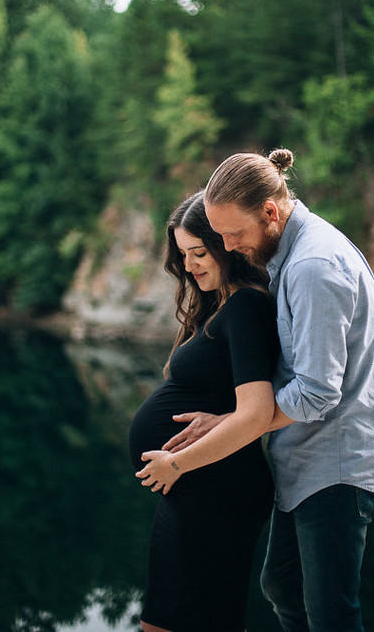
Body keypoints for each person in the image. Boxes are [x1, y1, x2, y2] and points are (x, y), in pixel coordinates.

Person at [168, 149, 374, 632]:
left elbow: (316, 392)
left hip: (335, 466)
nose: (227, 247)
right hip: (306, 459)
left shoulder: (314, 265)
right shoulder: (290, 252)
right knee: (283, 587)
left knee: (331, 614)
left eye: (234, 234)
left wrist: (236, 424)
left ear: (270, 212)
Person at [129, 190, 281, 632]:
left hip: (217, 491)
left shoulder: (247, 306)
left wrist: (175, 462)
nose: (191, 265)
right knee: (167, 621)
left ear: (225, 245)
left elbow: (255, 413)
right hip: (194, 489)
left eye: (199, 252)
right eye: (183, 255)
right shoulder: (220, 306)